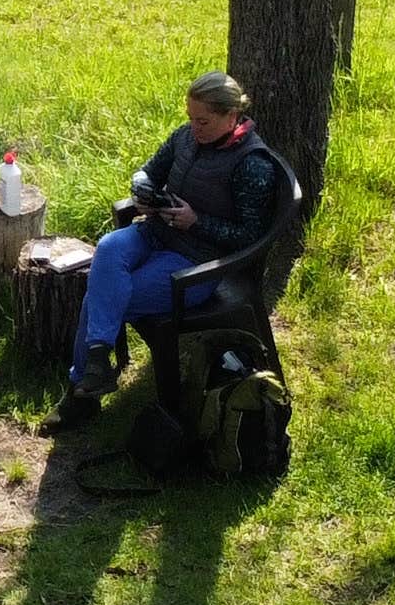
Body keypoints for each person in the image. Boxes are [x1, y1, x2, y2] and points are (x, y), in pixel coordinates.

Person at [62, 71, 285, 420]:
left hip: (194, 265)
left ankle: (83, 391)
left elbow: (250, 237)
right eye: (191, 118)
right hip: (155, 233)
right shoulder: (186, 138)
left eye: (204, 121)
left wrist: (196, 221)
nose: (195, 128)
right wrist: (145, 192)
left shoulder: (252, 165)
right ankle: (93, 371)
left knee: (100, 296)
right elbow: (150, 170)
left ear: (232, 116)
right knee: (107, 248)